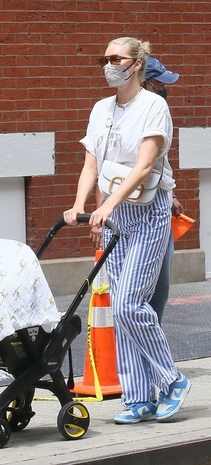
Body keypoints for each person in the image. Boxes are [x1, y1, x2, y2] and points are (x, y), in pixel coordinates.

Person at [63, 37, 191, 424]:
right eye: (105, 58)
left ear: (136, 64)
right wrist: (81, 205)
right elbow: (91, 165)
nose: (108, 64)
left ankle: (172, 380)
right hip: (115, 218)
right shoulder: (101, 108)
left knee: (129, 304)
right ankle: (138, 399)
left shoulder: (154, 106)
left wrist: (105, 205)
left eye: (115, 58)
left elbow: (145, 167)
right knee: (121, 313)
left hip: (147, 214)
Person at [143, 57, 183, 324]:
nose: (164, 89)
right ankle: (147, 350)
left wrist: (171, 195)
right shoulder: (147, 112)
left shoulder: (153, 110)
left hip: (159, 198)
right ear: (146, 82)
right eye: (159, 83)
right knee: (154, 286)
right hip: (145, 207)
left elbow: (160, 164)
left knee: (160, 283)